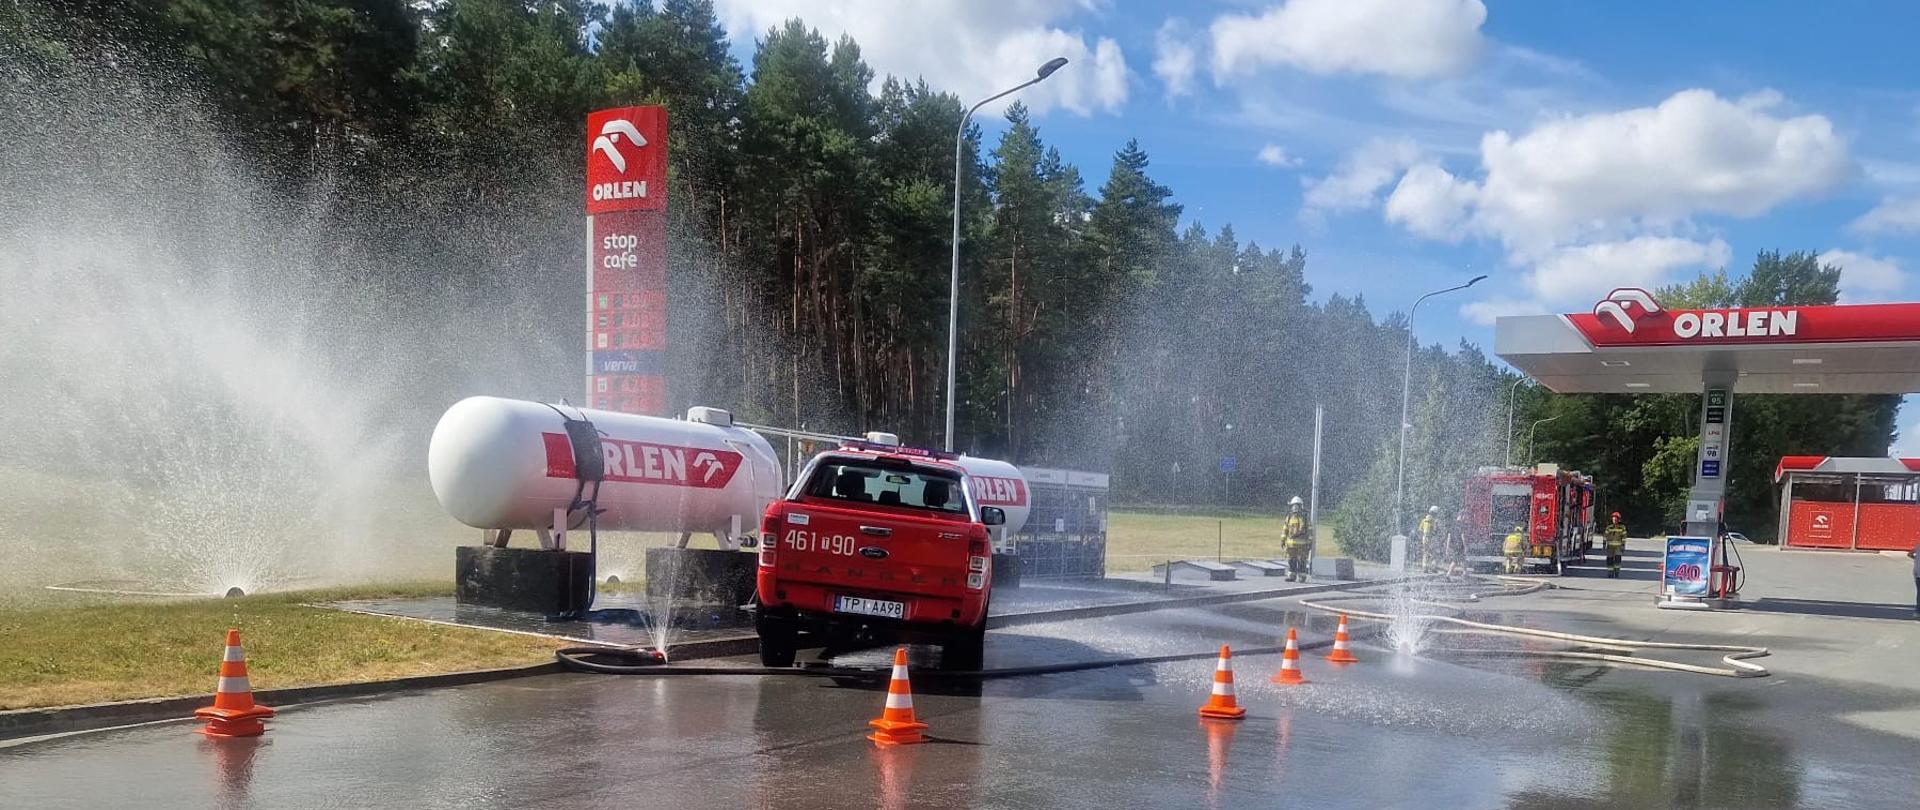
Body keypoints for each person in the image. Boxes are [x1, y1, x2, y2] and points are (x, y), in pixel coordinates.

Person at [1283, 496, 1311, 582]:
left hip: (1302, 544)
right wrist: (1283, 540)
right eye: (1294, 506)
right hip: (1291, 544)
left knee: (1302, 561)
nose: (1295, 507)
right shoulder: (1289, 516)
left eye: (1297, 505)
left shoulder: (1305, 517)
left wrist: (1310, 541)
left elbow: (1309, 530)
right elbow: (1285, 529)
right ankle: (1292, 576)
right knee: (1291, 560)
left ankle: (1302, 577)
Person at [1604, 512, 1629, 578]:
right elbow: (1605, 536)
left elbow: (1624, 537)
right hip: (1610, 547)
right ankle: (1610, 572)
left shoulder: (1622, 527)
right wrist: (1604, 545)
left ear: (1619, 520)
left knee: (1618, 560)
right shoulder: (1609, 527)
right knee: (1609, 559)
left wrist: (1623, 546)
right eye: (1613, 519)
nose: (1614, 520)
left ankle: (1616, 572)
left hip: (1618, 547)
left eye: (1616, 519)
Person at [1417, 506, 1441, 573]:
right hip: (1432, 538)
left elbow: (1420, 530)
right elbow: (1436, 530)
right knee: (1434, 553)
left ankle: (1425, 567)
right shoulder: (1434, 521)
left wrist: (1421, 539)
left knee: (1425, 553)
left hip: (1424, 538)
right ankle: (1433, 567)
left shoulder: (1424, 520)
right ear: (1435, 513)